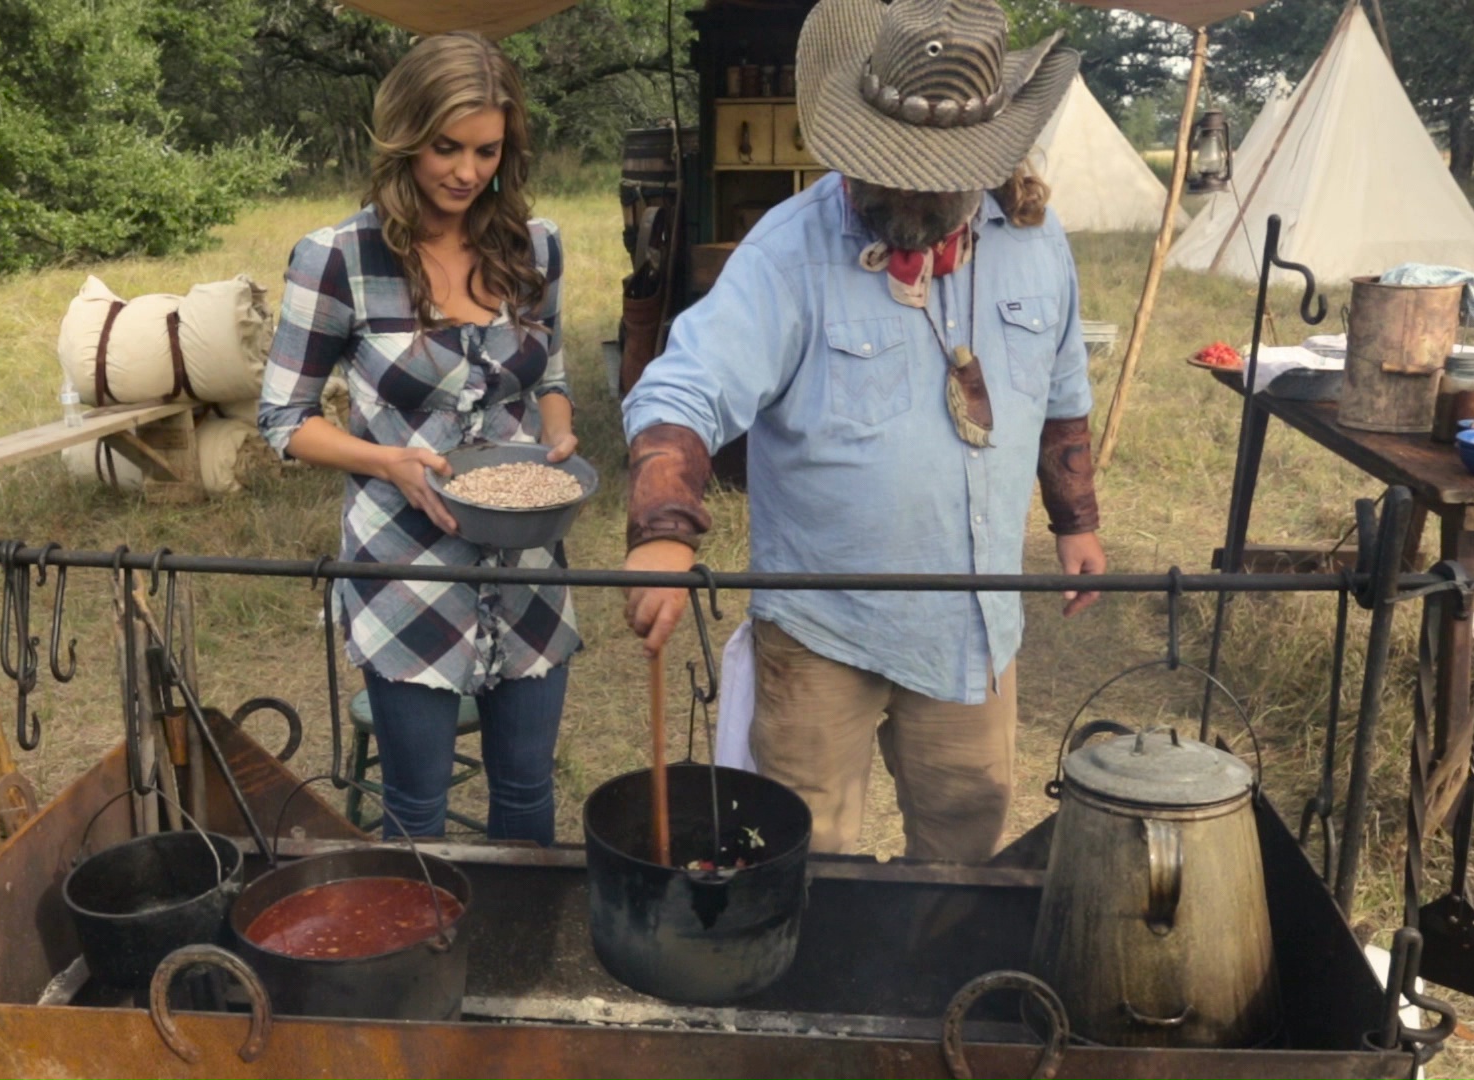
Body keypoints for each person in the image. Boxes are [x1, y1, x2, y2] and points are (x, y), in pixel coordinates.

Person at [620, 0, 1104, 864]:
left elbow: (1062, 386)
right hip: (822, 628)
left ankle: (934, 988)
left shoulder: (1038, 245)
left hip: (971, 626)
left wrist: (1077, 519)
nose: (908, 191)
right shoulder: (786, 254)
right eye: (891, 166)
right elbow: (683, 387)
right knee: (807, 852)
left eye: (936, 173)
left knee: (964, 841)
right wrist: (663, 530)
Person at [259, 32, 578, 844]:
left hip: (526, 561)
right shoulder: (338, 258)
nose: (466, 173)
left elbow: (551, 368)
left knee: (527, 792)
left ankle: (519, 962)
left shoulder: (532, 247)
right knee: (417, 813)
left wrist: (559, 424)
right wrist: (385, 462)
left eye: (486, 151)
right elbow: (284, 420)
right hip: (403, 565)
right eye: (445, 148)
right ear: (404, 137)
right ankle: (422, 967)